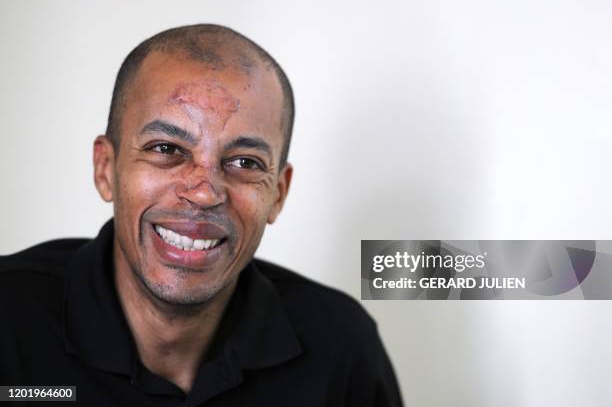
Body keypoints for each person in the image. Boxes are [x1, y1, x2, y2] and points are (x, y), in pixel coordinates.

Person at [0, 25, 403, 406]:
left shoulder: (340, 347)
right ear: (106, 168)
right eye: (166, 149)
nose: (205, 191)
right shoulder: (10, 319)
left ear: (278, 194)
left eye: (244, 161)